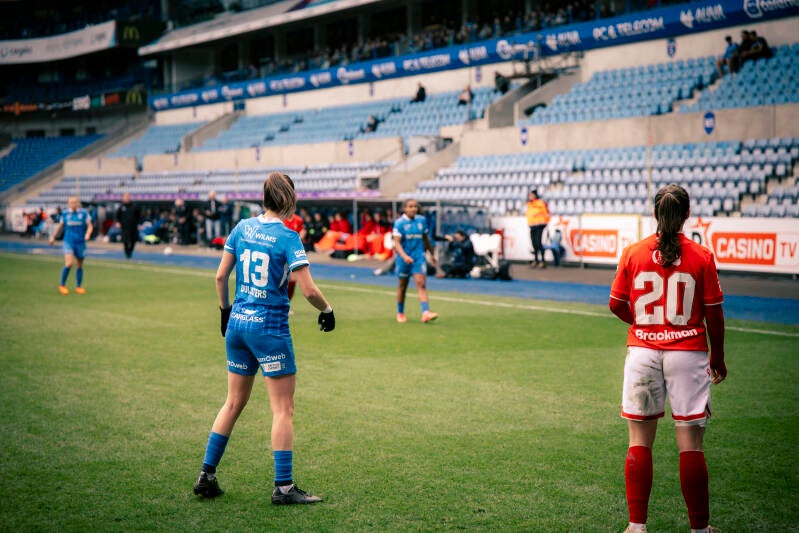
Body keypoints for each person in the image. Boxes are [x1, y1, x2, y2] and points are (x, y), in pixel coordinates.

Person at [193, 171, 335, 504]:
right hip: (269, 328)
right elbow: (309, 289)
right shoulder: (288, 237)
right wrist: (327, 310)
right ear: (289, 198)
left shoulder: (241, 228)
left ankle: (206, 474)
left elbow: (220, 275)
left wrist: (225, 312)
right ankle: (283, 487)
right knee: (283, 408)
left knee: (232, 402)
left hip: (238, 325)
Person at [609, 184, 726, 533]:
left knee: (639, 441)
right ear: (686, 214)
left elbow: (616, 304)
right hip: (688, 355)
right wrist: (717, 358)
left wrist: (643, 325)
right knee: (689, 444)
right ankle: (700, 529)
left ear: (655, 213)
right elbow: (714, 314)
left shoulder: (633, 252)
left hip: (643, 353)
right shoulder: (701, 256)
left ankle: (636, 526)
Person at [392, 198, 438, 323]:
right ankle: (400, 313)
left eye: (415, 206)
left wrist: (432, 254)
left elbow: (425, 239)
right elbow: (397, 243)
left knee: (421, 283)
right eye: (410, 206)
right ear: (405, 208)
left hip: (418, 257)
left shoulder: (421, 221)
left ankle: (425, 313)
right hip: (404, 259)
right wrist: (404, 256)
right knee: (403, 286)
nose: (413, 209)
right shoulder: (399, 223)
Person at [49, 196, 94, 295]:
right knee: (69, 263)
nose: (73, 204)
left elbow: (90, 226)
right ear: (68, 204)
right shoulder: (65, 214)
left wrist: (88, 234)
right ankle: (62, 285)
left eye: (75, 202)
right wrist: (53, 237)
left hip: (80, 242)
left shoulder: (83, 213)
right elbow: (60, 227)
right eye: (71, 202)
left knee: (79, 264)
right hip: (68, 241)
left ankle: (78, 286)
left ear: (78, 203)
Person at [283, 211, 306, 305]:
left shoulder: (298, 219)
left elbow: (302, 231)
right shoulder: (281, 219)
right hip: (282, 252)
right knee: (280, 280)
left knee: (293, 280)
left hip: (293, 253)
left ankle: (287, 304)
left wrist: (299, 239)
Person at [526, 189, 550, 268]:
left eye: (532, 195)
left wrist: (545, 223)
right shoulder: (529, 204)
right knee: (534, 243)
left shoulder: (540, 203)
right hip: (532, 225)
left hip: (539, 225)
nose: (530, 197)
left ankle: (543, 260)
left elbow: (546, 213)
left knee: (539, 243)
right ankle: (536, 260)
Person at [116, 192, 141, 259]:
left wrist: (139, 224)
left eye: (127, 197)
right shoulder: (121, 207)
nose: (126, 198)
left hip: (133, 226)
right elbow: (117, 216)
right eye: (125, 197)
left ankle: (130, 251)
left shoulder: (134, 206)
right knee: (125, 241)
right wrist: (118, 222)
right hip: (124, 227)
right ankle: (127, 254)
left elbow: (139, 216)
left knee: (133, 240)